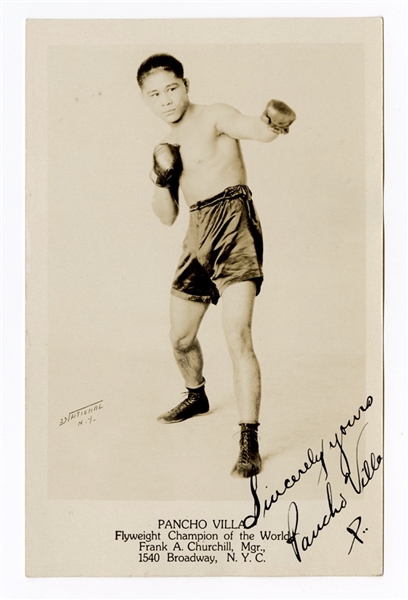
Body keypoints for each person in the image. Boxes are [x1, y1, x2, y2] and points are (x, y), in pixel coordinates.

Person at [137, 53, 295, 478]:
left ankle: (249, 437)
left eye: (171, 88)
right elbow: (168, 216)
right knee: (180, 337)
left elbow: (256, 130)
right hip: (196, 231)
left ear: (186, 85)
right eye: (155, 95)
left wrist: (273, 122)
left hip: (234, 224)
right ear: (146, 101)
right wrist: (160, 178)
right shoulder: (166, 147)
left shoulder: (214, 116)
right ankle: (197, 395)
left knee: (237, 334)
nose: (166, 100)